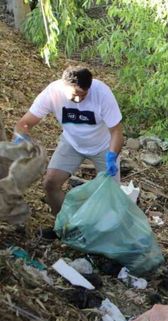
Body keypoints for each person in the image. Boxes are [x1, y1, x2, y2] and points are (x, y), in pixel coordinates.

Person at [13, 66, 123, 237]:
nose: (78, 100)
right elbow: (24, 124)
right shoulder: (52, 92)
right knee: (50, 183)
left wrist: (112, 156)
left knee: (111, 195)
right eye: (74, 95)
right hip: (71, 143)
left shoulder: (102, 93)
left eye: (83, 95)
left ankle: (106, 237)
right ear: (63, 86)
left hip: (103, 147)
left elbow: (116, 131)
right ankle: (64, 226)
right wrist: (23, 141)